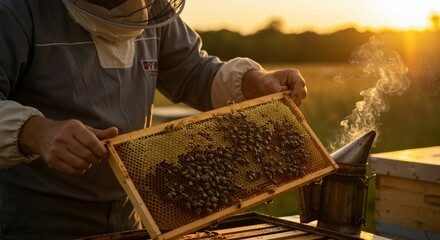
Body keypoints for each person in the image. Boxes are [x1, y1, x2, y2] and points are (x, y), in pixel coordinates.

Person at [0, 0, 307, 239]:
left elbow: (192, 71)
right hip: (33, 217)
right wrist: (37, 132)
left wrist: (254, 81)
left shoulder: (152, 7)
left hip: (132, 210)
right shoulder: (15, 11)